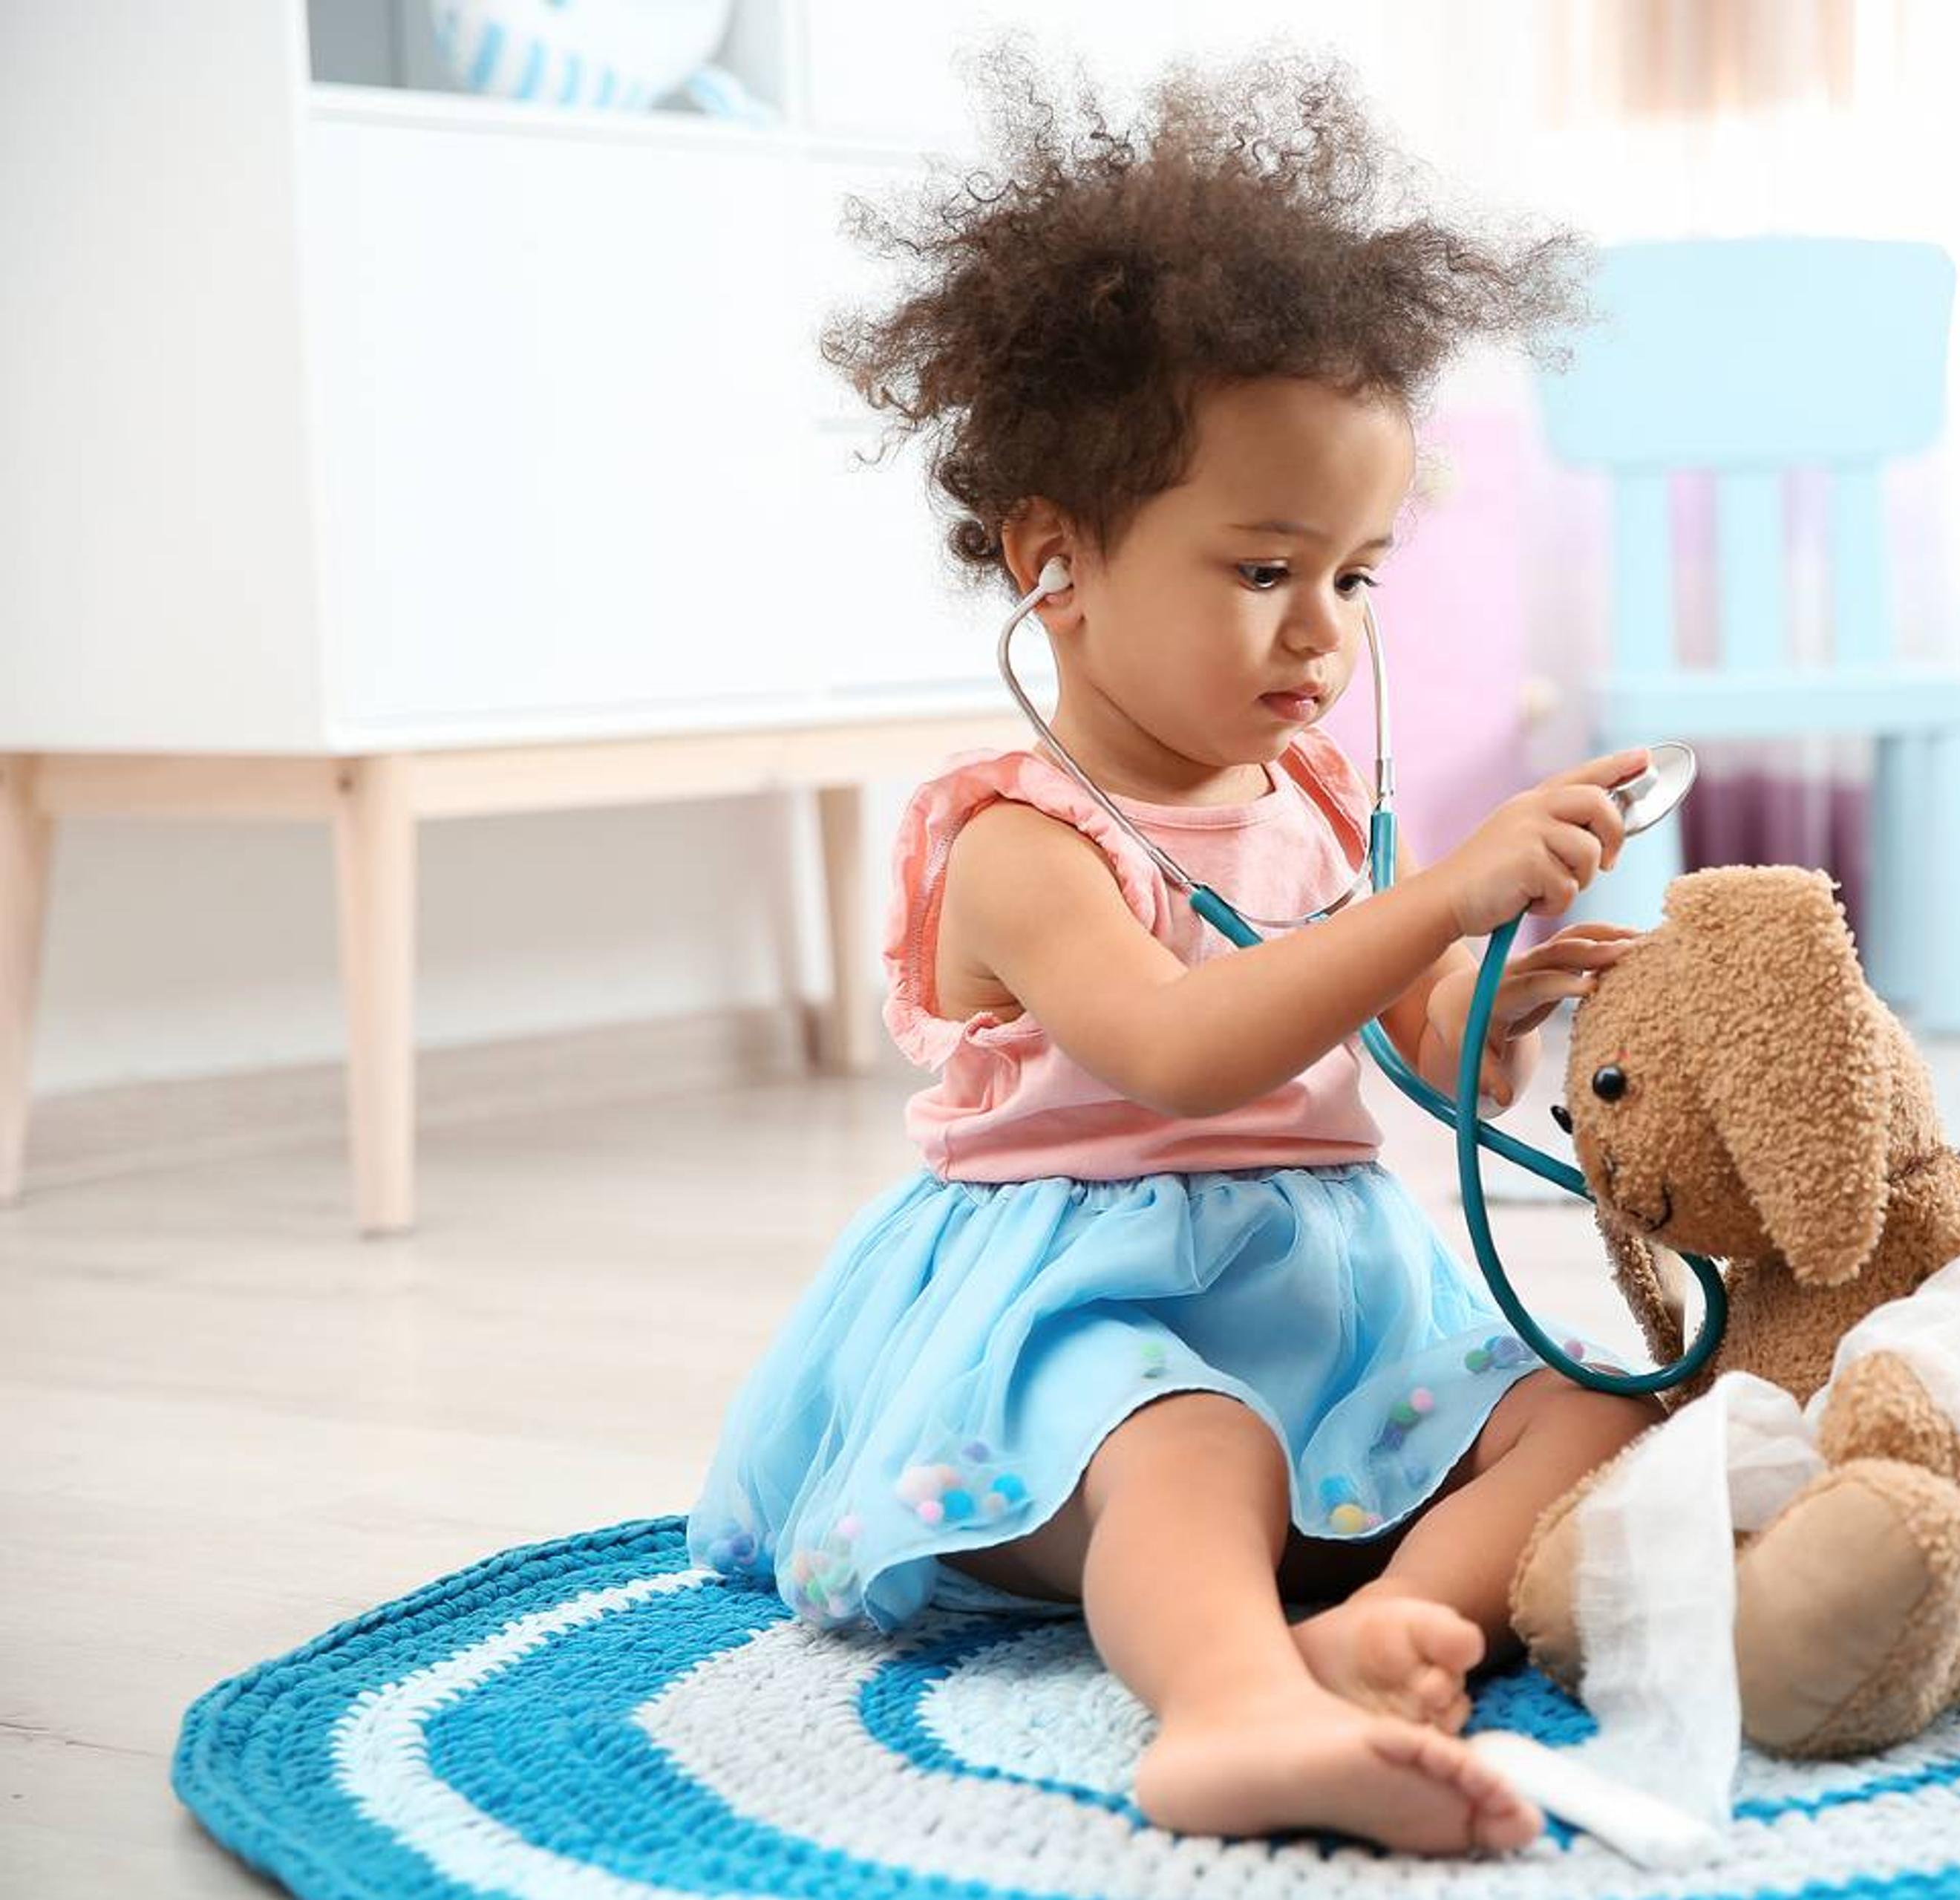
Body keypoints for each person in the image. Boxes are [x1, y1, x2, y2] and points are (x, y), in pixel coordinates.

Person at [687, 42, 1666, 1857]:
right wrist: (1436, 895)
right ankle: (1223, 1711)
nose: (1322, 632)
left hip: (1314, 1291)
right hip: (1077, 1327)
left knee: (1594, 1407)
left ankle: (1391, 1617)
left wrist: (1490, 1005)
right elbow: (1183, 1046)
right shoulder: (1014, 841)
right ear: (1054, 561)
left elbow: (1401, 1039)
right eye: (1262, 567)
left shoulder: (1298, 797)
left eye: (1357, 576)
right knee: (1191, 1449)